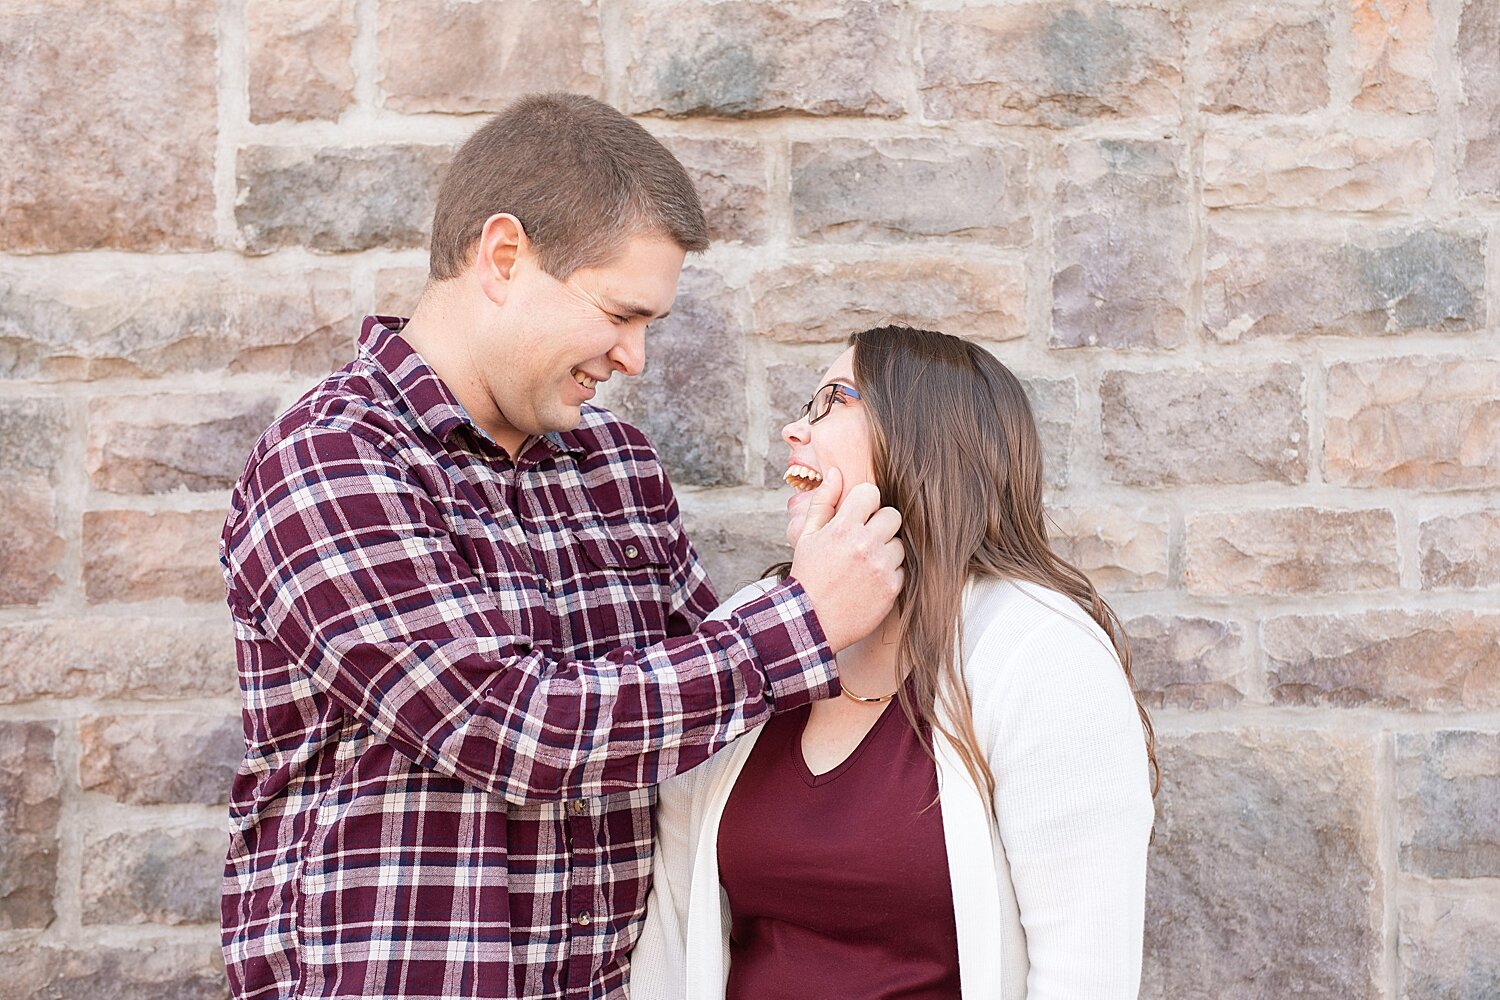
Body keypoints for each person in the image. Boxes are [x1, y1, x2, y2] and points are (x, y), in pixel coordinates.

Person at [217, 93, 903, 1000]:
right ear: (505, 257)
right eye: (621, 314)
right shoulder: (331, 460)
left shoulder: (616, 466)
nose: (636, 358)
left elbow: (709, 718)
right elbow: (503, 726)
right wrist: (805, 622)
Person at [631, 326, 1159, 1000]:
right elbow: (671, 938)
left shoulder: (1042, 654)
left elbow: (1085, 975)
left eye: (833, 401)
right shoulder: (751, 632)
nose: (795, 429)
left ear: (925, 440)